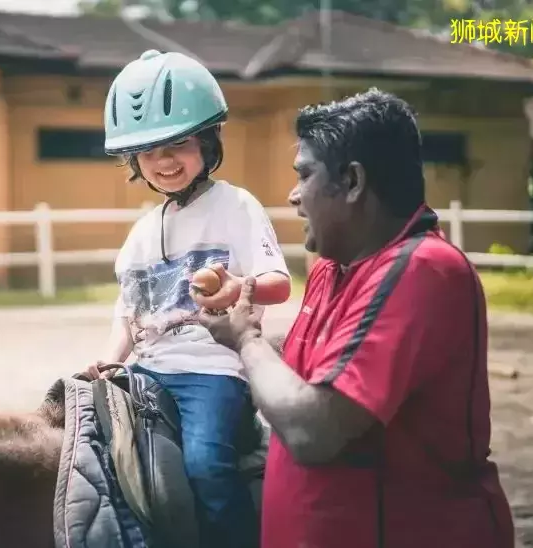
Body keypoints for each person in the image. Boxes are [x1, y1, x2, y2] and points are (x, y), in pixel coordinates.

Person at [195, 88, 516, 548]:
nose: (292, 196)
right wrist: (245, 322)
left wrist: (245, 340)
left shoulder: (421, 271)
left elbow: (314, 431)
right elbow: (308, 367)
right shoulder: (335, 264)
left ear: (352, 181)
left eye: (303, 175)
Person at [90, 49, 292, 548]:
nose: (164, 161)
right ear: (133, 160)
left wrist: (234, 290)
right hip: (148, 369)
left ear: (207, 140)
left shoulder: (235, 206)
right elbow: (128, 310)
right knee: (96, 458)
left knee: (205, 465)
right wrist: (106, 361)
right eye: (150, 151)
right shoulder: (140, 232)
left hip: (212, 369)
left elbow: (278, 283)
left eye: (179, 144)